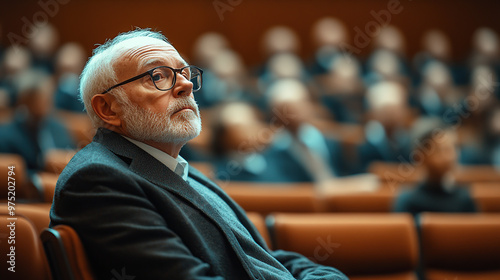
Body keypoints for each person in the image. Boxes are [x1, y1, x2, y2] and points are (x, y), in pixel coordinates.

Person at [49, 29, 348, 280]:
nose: (187, 85)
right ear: (108, 109)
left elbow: (259, 256)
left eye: (184, 72)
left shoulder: (176, 168)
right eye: (157, 76)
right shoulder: (99, 180)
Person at [393, 118, 477, 217]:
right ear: (419, 157)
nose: (449, 157)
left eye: (452, 148)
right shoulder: (407, 201)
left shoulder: (465, 200)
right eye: (440, 151)